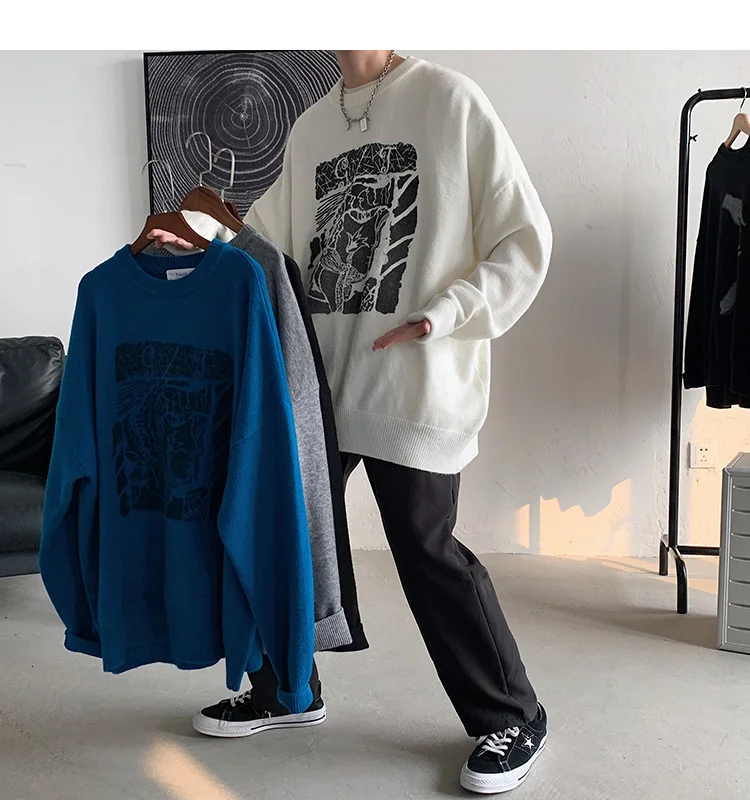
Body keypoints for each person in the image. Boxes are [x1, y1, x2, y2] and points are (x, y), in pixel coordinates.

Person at [152, 50, 552, 795]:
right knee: (278, 534)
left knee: (426, 550)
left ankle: (514, 713)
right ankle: (287, 689)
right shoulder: (311, 126)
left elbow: (522, 239)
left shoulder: (450, 101)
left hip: (415, 377)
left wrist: (445, 314)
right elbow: (266, 247)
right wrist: (196, 241)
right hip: (320, 387)